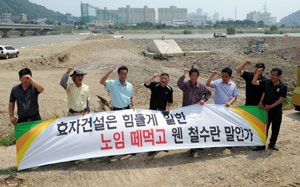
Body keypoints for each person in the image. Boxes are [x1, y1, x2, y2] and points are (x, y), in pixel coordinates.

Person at [177, 67, 211, 157]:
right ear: (189, 76)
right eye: (192, 75)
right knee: (189, 129)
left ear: (198, 76)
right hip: (186, 112)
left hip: (196, 112)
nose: (194, 77)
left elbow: (208, 93)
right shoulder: (186, 85)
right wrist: (184, 73)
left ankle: (195, 147)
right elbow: (179, 84)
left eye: (195, 76)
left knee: (196, 129)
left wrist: (204, 100)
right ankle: (192, 146)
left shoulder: (202, 86)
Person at [252, 68, 287, 151]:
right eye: (272, 74)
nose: (272, 76)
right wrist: (257, 73)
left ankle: (272, 144)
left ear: (279, 76)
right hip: (266, 110)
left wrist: (271, 106)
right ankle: (261, 144)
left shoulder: (283, 87)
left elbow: (281, 99)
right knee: (264, 127)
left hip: (276, 111)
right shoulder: (266, 82)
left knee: (275, 128)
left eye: (275, 75)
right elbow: (254, 82)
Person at [145, 73, 173, 156]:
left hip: (162, 112)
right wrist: (153, 77)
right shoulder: (155, 85)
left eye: (165, 79)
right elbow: (146, 84)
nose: (163, 80)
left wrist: (167, 109)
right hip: (152, 112)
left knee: (162, 130)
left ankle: (163, 145)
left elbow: (170, 101)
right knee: (153, 130)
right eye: (162, 78)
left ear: (168, 80)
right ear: (160, 79)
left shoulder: (169, 89)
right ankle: (152, 148)